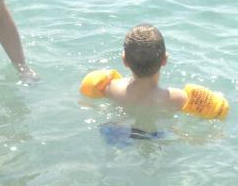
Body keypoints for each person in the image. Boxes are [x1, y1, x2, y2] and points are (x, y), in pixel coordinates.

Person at [80, 24, 229, 121]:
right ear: (165, 59)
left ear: (124, 61)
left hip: (118, 131)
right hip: (157, 135)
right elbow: (219, 110)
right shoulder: (177, 98)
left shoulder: (110, 88)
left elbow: (87, 98)